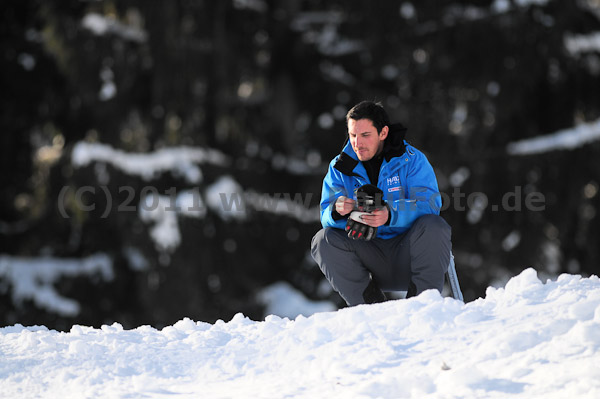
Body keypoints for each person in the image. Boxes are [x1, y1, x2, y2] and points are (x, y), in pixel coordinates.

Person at [311, 101, 452, 306]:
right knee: (323, 240)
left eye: (365, 135)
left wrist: (390, 214)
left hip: (409, 254)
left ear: (383, 133)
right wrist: (338, 211)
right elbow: (326, 213)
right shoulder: (339, 166)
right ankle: (370, 309)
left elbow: (430, 205)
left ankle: (422, 308)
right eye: (353, 135)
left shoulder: (412, 160)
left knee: (435, 227)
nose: (357, 143)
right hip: (369, 255)